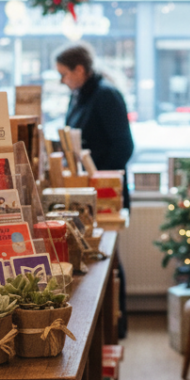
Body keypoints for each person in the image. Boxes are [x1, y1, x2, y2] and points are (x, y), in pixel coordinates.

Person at [55, 44, 133, 336]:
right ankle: (106, 326)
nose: (63, 80)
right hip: (87, 189)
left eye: (64, 74)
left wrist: (98, 179)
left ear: (80, 70)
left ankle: (116, 325)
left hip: (105, 192)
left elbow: (124, 146)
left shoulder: (105, 96)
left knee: (110, 257)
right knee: (99, 257)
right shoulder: (78, 96)